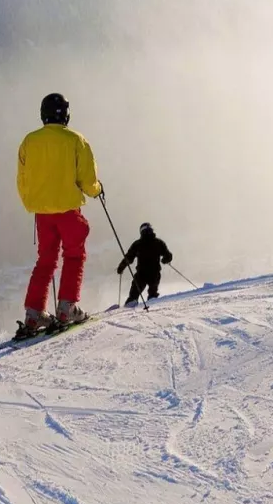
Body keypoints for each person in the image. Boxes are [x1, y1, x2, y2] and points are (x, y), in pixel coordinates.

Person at [16, 92, 103, 335]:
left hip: (42, 214)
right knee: (74, 256)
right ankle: (67, 307)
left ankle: (34, 314)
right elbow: (88, 180)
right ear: (65, 114)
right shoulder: (76, 140)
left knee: (45, 261)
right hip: (68, 211)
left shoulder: (29, 141)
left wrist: (33, 202)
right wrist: (97, 190)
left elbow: (22, 181)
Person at [118, 222, 173, 307]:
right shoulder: (158, 242)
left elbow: (129, 257)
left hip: (141, 274)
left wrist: (121, 267)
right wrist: (165, 260)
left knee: (134, 294)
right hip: (154, 273)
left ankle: (130, 306)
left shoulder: (138, 244)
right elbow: (168, 255)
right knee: (152, 293)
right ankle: (152, 306)